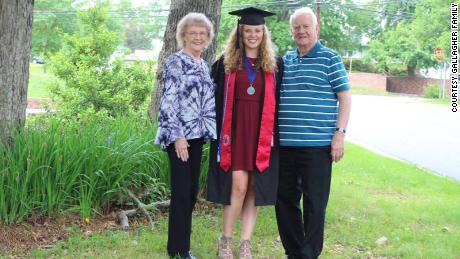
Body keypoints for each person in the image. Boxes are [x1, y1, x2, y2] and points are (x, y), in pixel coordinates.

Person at [275, 7, 352, 259]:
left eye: (306, 26)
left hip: (317, 145)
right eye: (296, 27)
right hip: (285, 144)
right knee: (284, 200)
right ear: (291, 31)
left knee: (315, 204)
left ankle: (309, 254)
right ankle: (295, 251)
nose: (301, 31)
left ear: (316, 28)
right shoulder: (285, 60)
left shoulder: (330, 58)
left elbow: (345, 97)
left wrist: (339, 134)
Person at [206, 7, 283, 259]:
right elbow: (211, 98)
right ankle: (225, 240)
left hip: (261, 134)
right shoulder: (225, 63)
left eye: (257, 31)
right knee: (238, 186)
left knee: (254, 188)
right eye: (248, 30)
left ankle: (245, 243)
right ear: (239, 33)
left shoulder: (274, 65)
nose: (252, 35)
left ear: (264, 33)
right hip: (235, 134)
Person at [154, 12, 216, 259]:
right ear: (183, 36)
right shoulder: (175, 62)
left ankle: (181, 246)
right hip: (179, 137)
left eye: (202, 33)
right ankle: (178, 250)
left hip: (197, 136)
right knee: (181, 192)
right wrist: (178, 136)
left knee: (190, 193)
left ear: (208, 37)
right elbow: (168, 101)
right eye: (193, 33)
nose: (198, 37)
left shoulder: (204, 65)